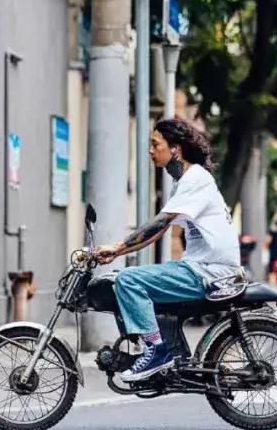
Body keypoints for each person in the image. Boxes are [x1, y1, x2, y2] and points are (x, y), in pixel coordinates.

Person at [95, 119, 239, 382]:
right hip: (198, 267)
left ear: (175, 148)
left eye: (155, 144)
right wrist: (117, 253)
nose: (150, 150)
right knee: (132, 279)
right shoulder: (183, 181)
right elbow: (159, 231)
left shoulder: (195, 178)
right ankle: (170, 354)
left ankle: (156, 351)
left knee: (128, 280)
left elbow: (161, 222)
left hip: (209, 272)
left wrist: (118, 246)